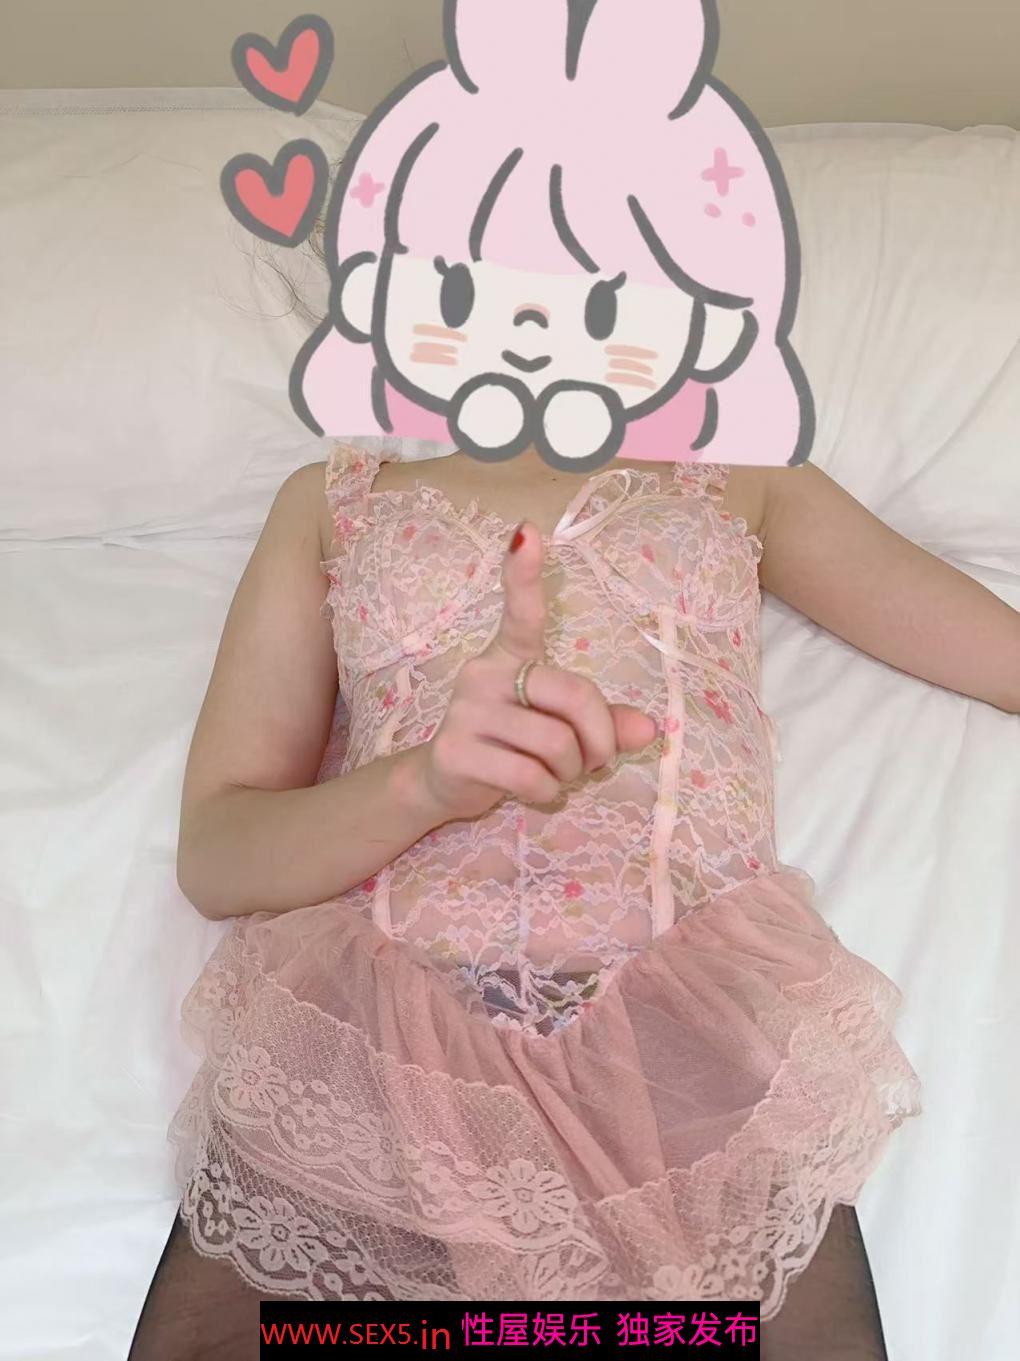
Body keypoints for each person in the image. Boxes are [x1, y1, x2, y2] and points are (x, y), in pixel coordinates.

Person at [128, 438, 1019, 1359]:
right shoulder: (331, 502)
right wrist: (424, 785)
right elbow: (218, 850)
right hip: (375, 1038)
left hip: (685, 1039)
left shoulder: (745, 476)